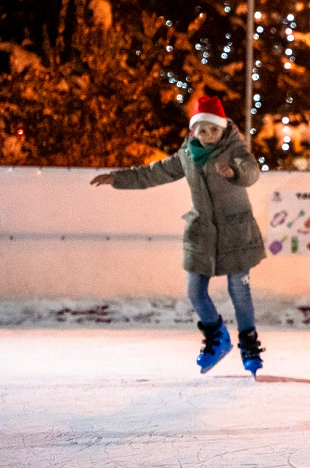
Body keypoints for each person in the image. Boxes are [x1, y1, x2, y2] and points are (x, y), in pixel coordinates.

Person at [89, 95, 267, 375]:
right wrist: (117, 178)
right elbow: (153, 173)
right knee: (195, 292)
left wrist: (234, 171)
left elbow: (251, 172)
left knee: (239, 291)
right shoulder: (186, 155)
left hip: (236, 232)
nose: (209, 136)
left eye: (214, 130)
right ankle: (217, 337)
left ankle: (249, 345)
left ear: (223, 129)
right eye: (203, 130)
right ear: (193, 131)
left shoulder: (235, 149)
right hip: (202, 232)